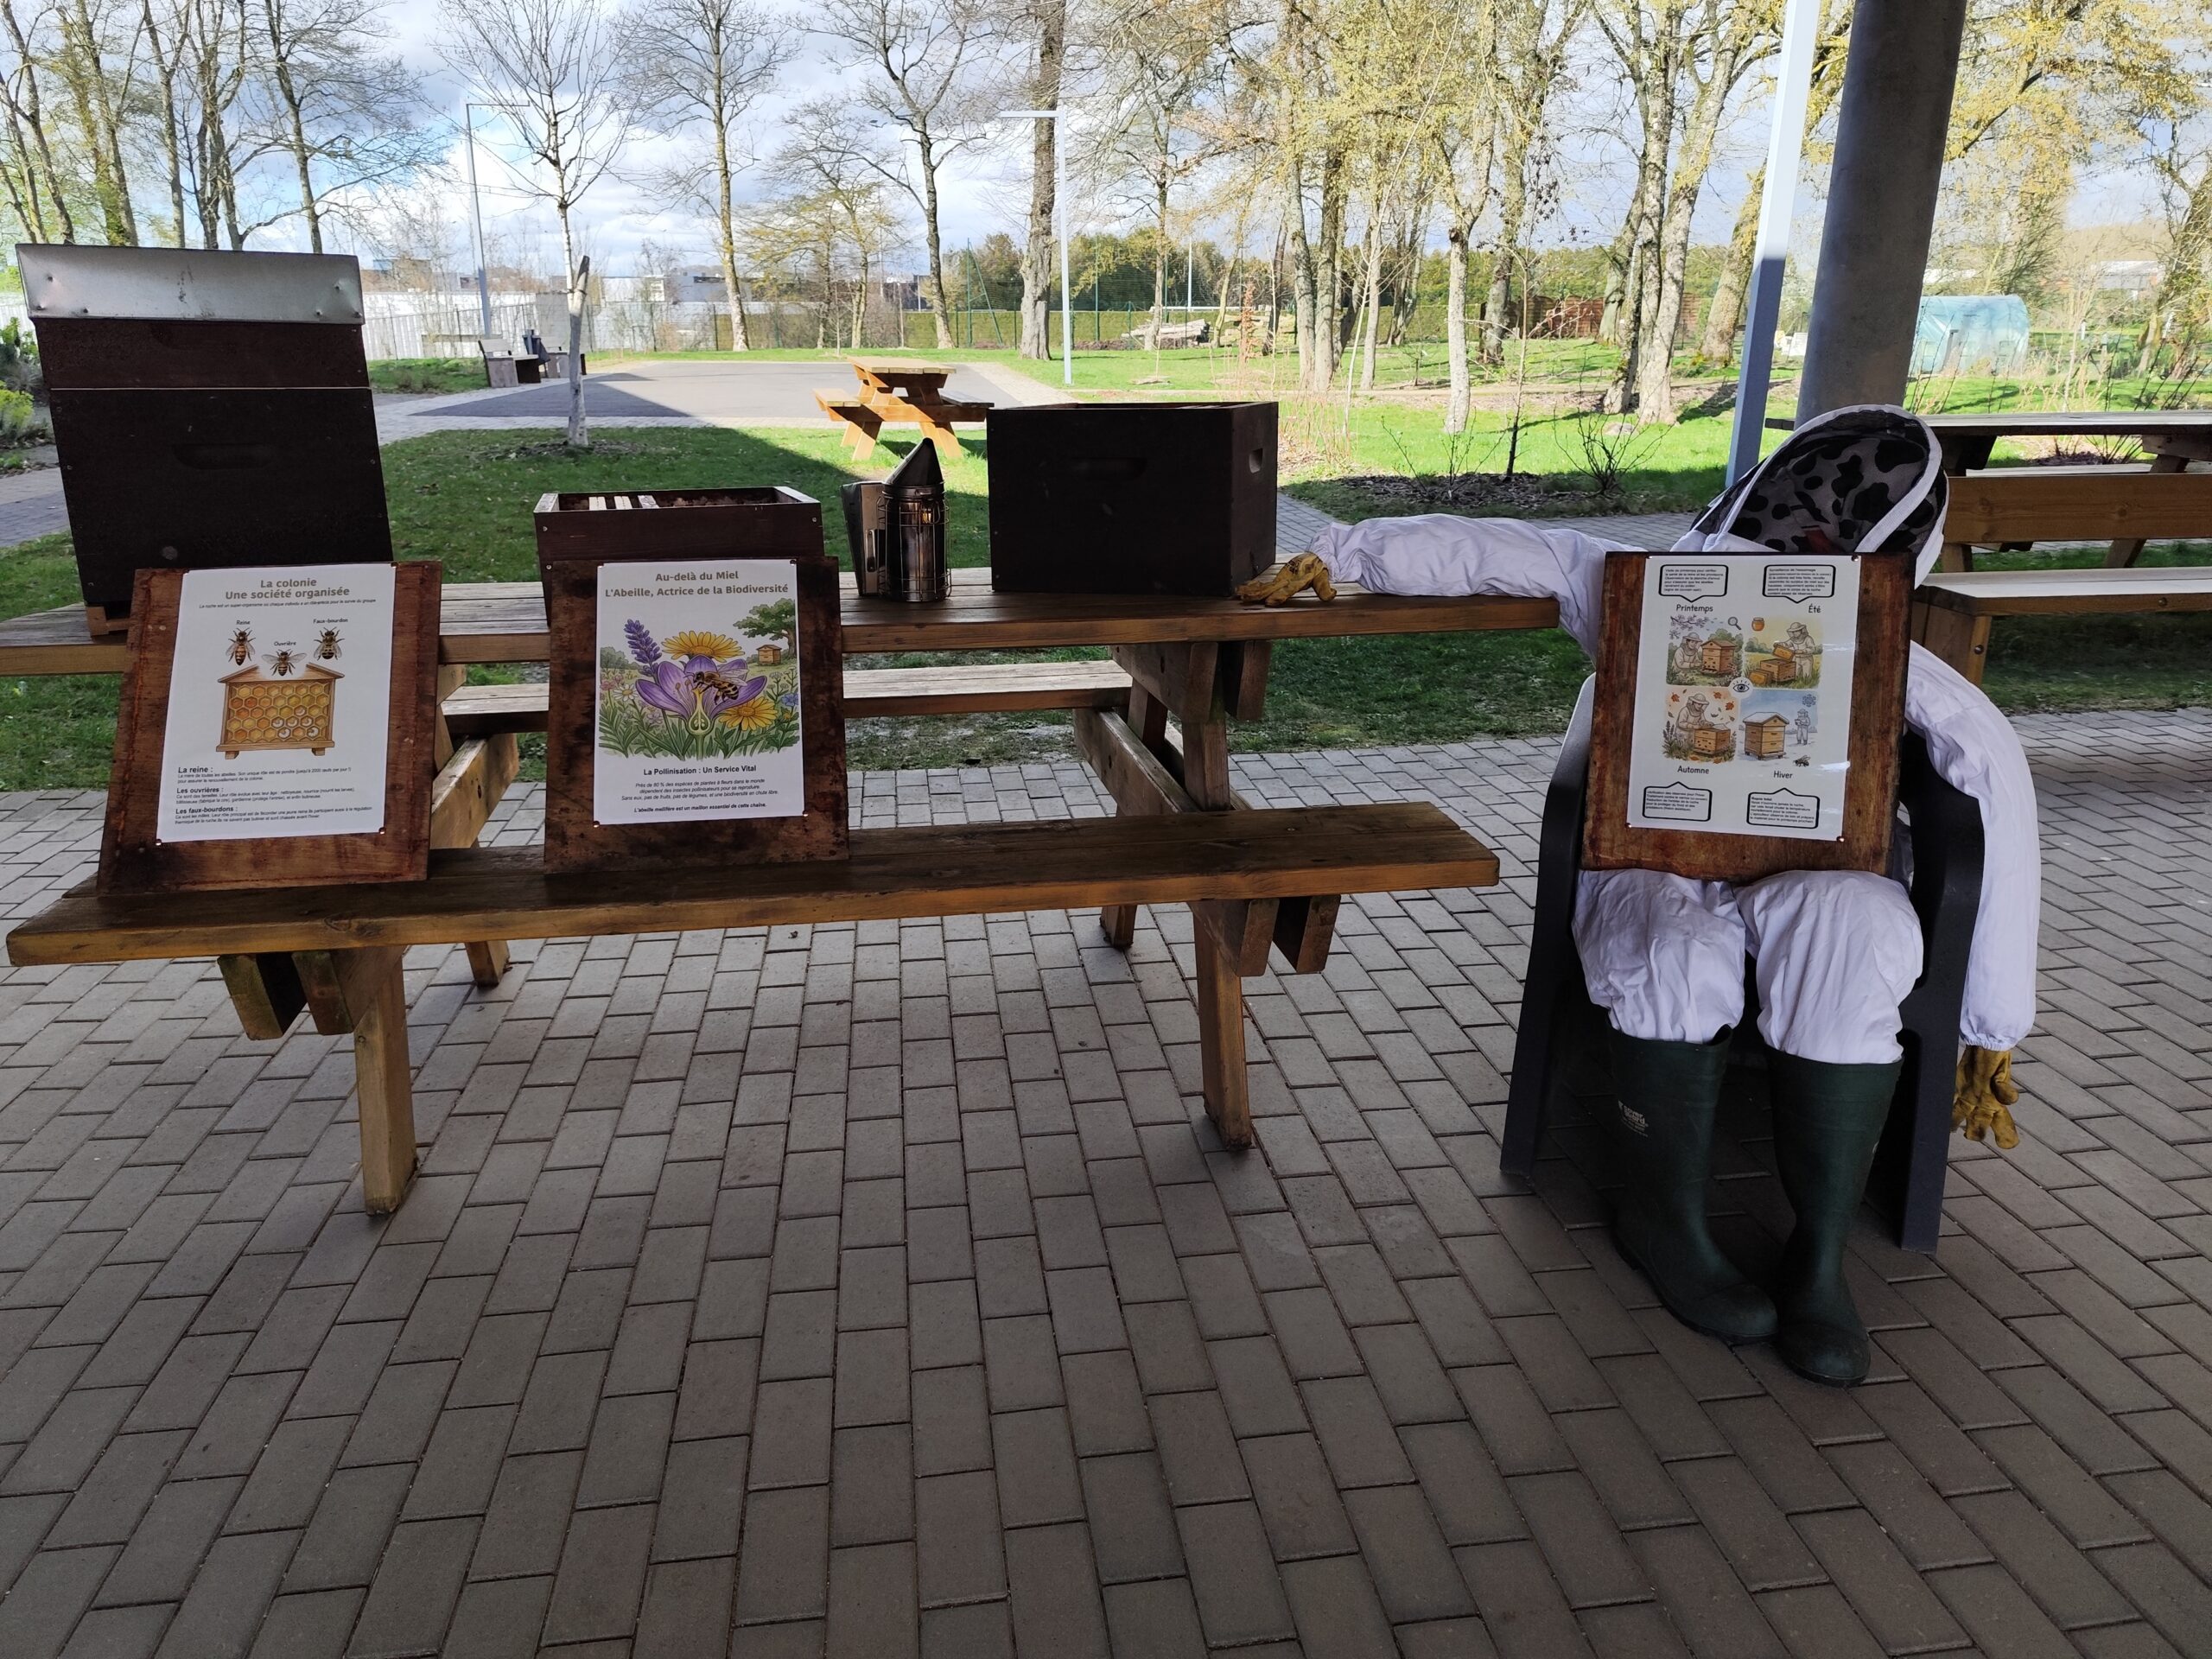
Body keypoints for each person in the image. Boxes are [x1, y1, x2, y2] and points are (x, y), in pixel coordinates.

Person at [1244, 406, 2037, 1386]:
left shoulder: (1887, 655)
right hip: (1657, 854)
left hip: (1820, 862)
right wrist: (1341, 552)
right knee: (1672, 954)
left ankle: (1819, 1254)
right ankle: (1665, 1221)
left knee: (1856, 940)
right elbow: (1508, 550)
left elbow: (1990, 773)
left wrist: (1991, 1018)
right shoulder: (1650, 592)